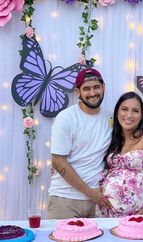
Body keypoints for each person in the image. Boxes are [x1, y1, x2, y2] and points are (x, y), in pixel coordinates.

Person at [96, 91, 143, 218]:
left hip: (142, 215)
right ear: (117, 113)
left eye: (135, 111)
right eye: (124, 109)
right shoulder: (113, 139)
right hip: (109, 213)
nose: (129, 115)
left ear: (141, 115)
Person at [47, 68, 112, 219]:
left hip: (99, 202)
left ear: (103, 87)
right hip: (65, 200)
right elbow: (58, 161)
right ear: (78, 92)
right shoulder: (66, 118)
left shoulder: (112, 118)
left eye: (96, 87)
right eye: (86, 88)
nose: (92, 93)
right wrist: (90, 192)